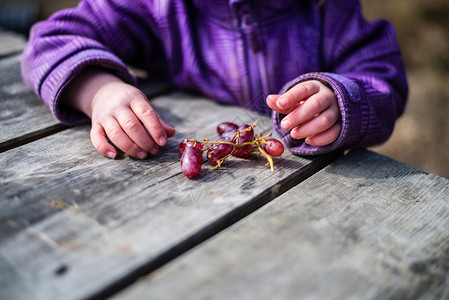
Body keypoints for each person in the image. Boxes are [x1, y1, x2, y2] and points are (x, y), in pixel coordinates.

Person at [21, 0, 408, 159]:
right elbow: (49, 42)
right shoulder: (157, 8)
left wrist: (343, 101)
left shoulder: (330, 11)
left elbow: (382, 76)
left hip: (322, 199)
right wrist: (98, 89)